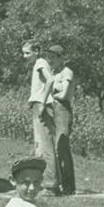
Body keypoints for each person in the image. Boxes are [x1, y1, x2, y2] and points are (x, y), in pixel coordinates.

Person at [22, 41, 58, 194]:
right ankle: (44, 182)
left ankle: (51, 185)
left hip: (43, 105)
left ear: (36, 51)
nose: (24, 56)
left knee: (46, 146)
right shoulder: (37, 63)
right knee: (40, 146)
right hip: (38, 104)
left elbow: (50, 80)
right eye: (23, 53)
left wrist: (42, 102)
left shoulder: (41, 63)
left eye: (27, 53)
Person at [45, 45, 76, 195]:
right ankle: (57, 183)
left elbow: (63, 95)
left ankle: (69, 186)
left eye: (54, 57)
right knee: (53, 147)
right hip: (52, 108)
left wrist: (51, 94)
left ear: (61, 58)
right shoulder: (53, 72)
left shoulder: (67, 72)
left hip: (63, 109)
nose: (51, 60)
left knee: (62, 147)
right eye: (49, 57)